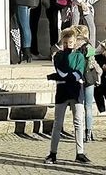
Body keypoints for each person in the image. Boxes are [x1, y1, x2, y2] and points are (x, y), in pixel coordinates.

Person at [45, 27, 89, 165]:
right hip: (63, 91)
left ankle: (80, 153)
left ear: (75, 42)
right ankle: (53, 153)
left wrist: (56, 77)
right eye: (65, 43)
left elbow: (78, 74)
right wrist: (65, 76)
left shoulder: (79, 56)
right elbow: (63, 72)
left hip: (76, 91)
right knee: (58, 123)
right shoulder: (58, 56)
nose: (67, 45)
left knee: (78, 122)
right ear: (62, 42)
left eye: (70, 42)